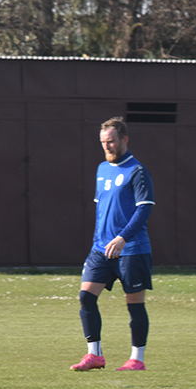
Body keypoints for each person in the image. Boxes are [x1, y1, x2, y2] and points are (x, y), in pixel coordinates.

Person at [71, 117, 155, 372]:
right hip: (101, 249)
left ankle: (136, 359)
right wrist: (100, 240)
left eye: (111, 141)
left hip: (132, 249)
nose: (107, 146)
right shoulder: (101, 169)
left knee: (134, 304)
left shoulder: (137, 171)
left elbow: (144, 210)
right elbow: (102, 211)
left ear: (124, 140)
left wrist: (122, 238)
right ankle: (94, 354)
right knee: (86, 297)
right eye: (103, 142)